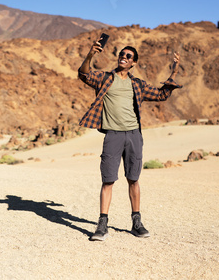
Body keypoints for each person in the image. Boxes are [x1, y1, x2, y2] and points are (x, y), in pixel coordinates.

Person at [77, 39, 182, 241]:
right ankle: (102, 225)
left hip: (134, 135)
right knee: (108, 180)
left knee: (133, 179)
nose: (123, 58)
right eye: (122, 55)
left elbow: (161, 95)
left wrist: (174, 72)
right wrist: (90, 55)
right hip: (113, 135)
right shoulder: (105, 78)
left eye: (128, 56)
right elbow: (84, 74)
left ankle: (136, 222)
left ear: (134, 62)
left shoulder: (137, 84)